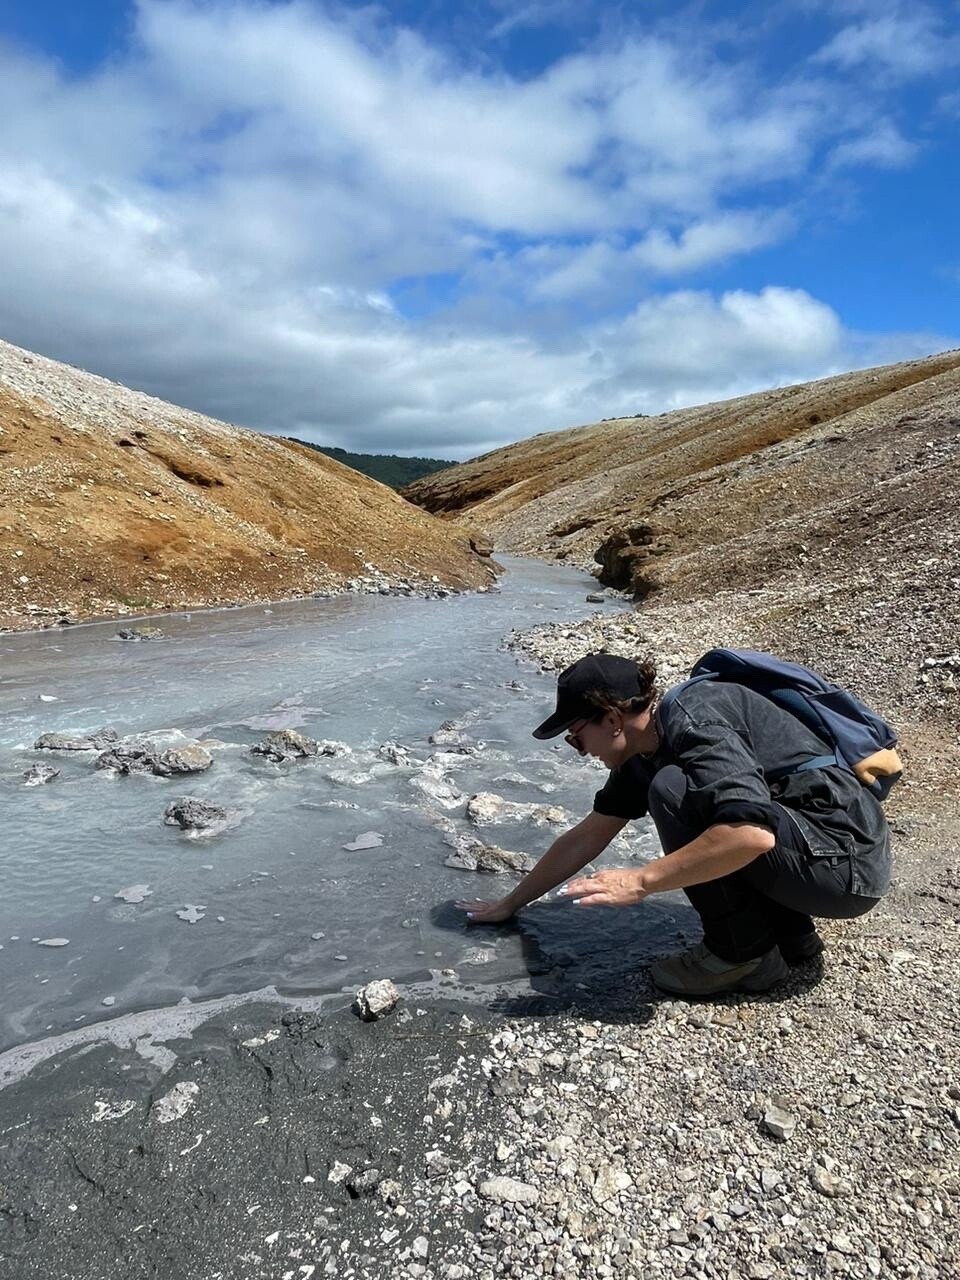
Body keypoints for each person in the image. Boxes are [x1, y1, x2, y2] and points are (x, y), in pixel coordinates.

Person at [457, 652, 892, 996]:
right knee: (685, 790)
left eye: (576, 737)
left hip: (847, 869)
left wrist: (641, 881)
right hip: (823, 854)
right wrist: (511, 903)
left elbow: (750, 835)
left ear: (612, 719)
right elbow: (587, 836)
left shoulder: (696, 717)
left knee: (674, 790)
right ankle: (791, 937)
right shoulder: (644, 752)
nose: (581, 750)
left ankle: (742, 956)